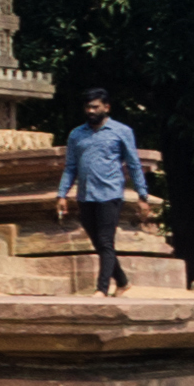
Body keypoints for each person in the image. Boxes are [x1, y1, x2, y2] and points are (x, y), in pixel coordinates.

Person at [51, 91, 147, 295]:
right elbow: (70, 167)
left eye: (95, 107)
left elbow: (133, 164)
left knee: (105, 241)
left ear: (106, 107)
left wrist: (142, 195)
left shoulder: (121, 131)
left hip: (110, 194)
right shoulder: (76, 134)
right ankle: (122, 282)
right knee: (99, 243)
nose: (91, 111)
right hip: (86, 195)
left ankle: (101, 289)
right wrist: (62, 195)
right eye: (88, 107)